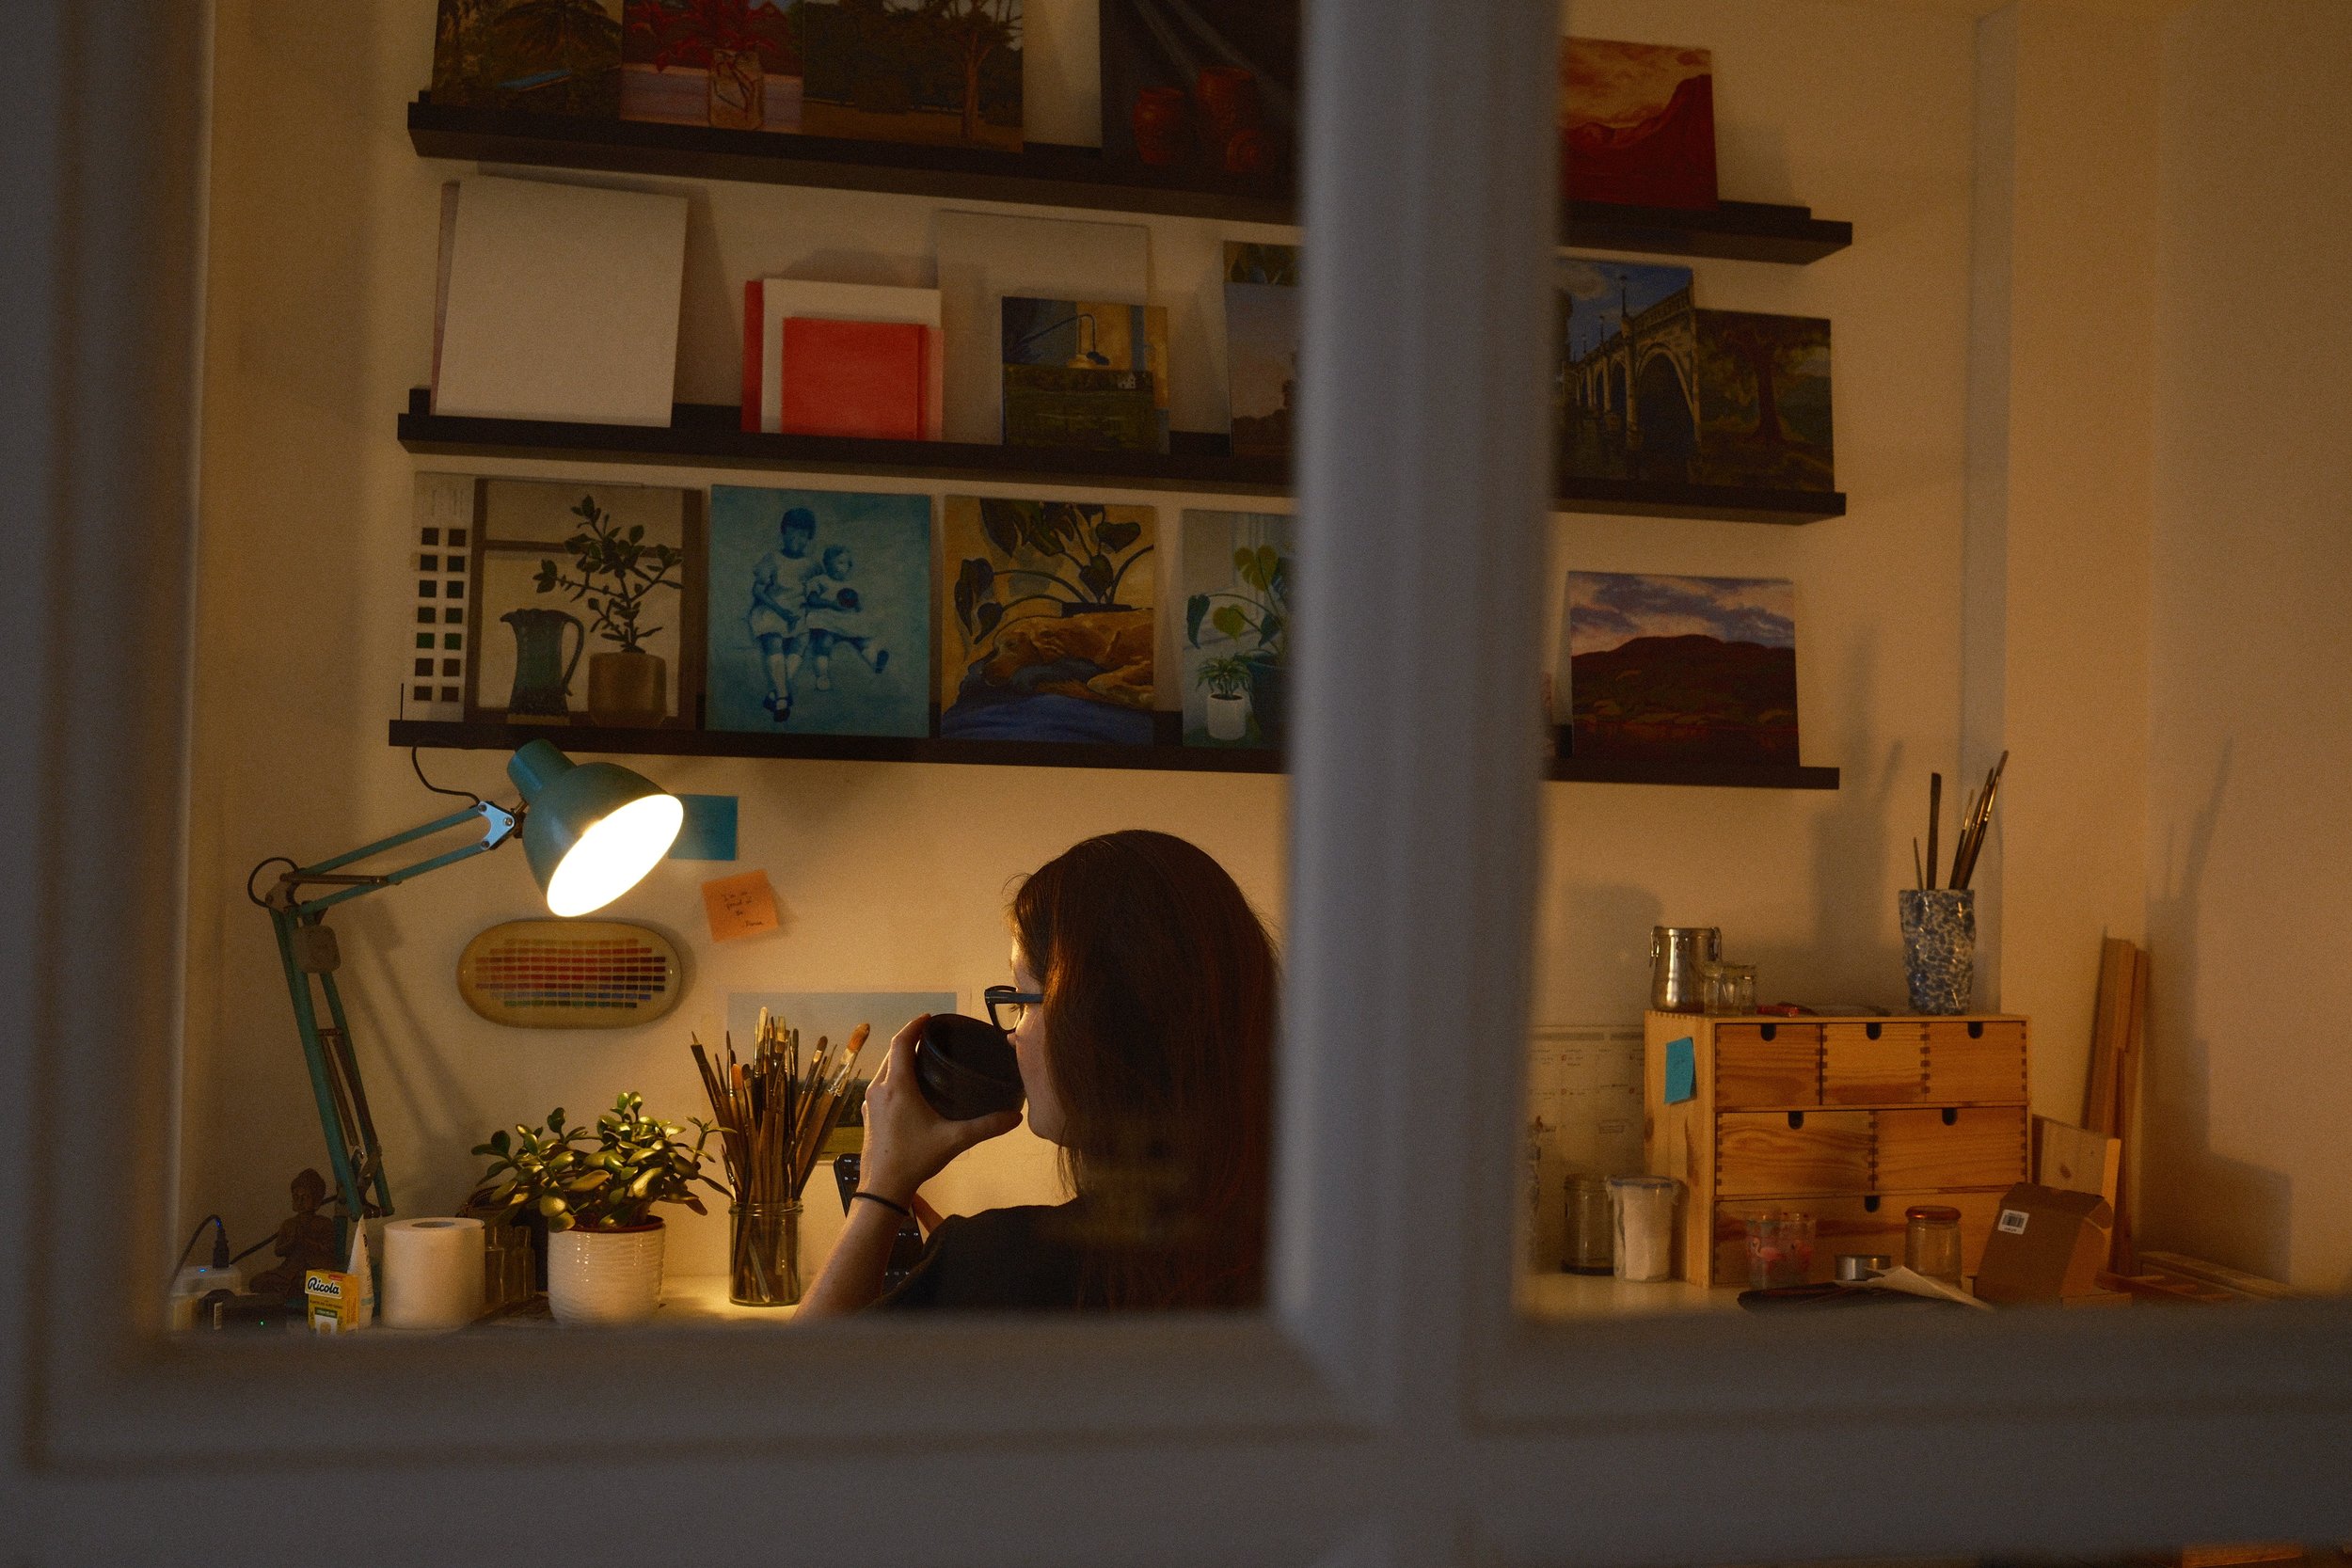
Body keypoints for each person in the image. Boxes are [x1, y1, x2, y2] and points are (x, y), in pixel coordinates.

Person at [798, 830, 1276, 1314]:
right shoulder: (1298, 1247)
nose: (1010, 1037)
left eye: (1022, 1001)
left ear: (1092, 1018)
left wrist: (880, 1191)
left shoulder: (998, 1268)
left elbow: (800, 1365)